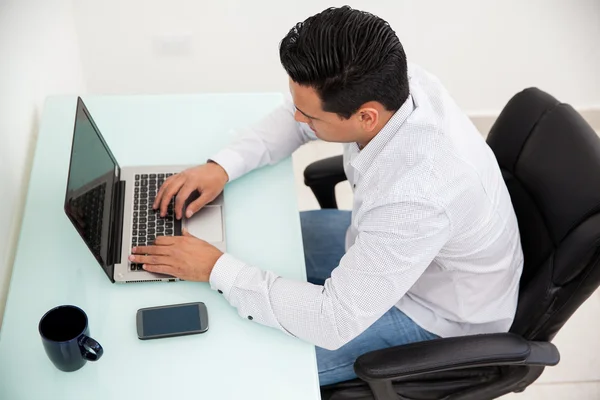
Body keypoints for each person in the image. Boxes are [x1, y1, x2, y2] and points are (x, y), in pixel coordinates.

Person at [129, 6, 524, 386]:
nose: (298, 118)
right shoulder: (393, 83)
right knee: (257, 241)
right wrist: (222, 166)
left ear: (366, 116)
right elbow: (295, 117)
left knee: (254, 369)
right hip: (391, 246)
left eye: (311, 116)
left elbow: (331, 320)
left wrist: (216, 269)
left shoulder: (418, 197)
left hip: (435, 313)